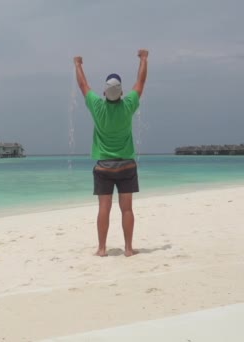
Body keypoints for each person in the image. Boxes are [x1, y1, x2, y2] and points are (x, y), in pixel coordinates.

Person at [74, 49, 148, 257]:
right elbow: (140, 83)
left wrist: (78, 64)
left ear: (104, 92)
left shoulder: (97, 106)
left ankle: (102, 248)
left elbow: (83, 85)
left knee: (104, 208)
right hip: (126, 166)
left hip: (104, 167)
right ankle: (128, 248)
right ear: (122, 93)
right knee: (126, 209)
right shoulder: (128, 105)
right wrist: (143, 59)